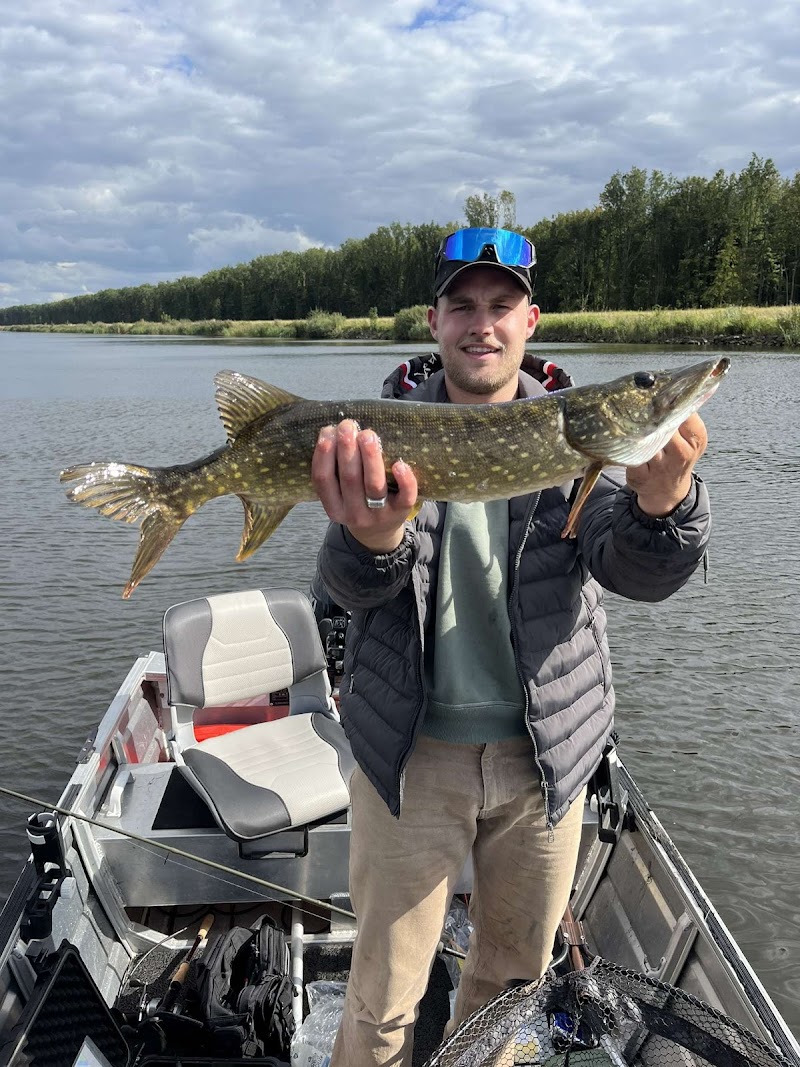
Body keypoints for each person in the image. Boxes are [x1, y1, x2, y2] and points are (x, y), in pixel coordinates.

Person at [310, 226, 711, 1066]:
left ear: (531, 321)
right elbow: (344, 587)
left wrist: (667, 506)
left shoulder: (577, 437)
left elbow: (634, 568)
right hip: (410, 757)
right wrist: (372, 541)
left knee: (509, 991)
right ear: (434, 322)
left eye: (501, 305)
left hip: (544, 761)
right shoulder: (380, 436)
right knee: (381, 998)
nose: (482, 323)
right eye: (463, 305)